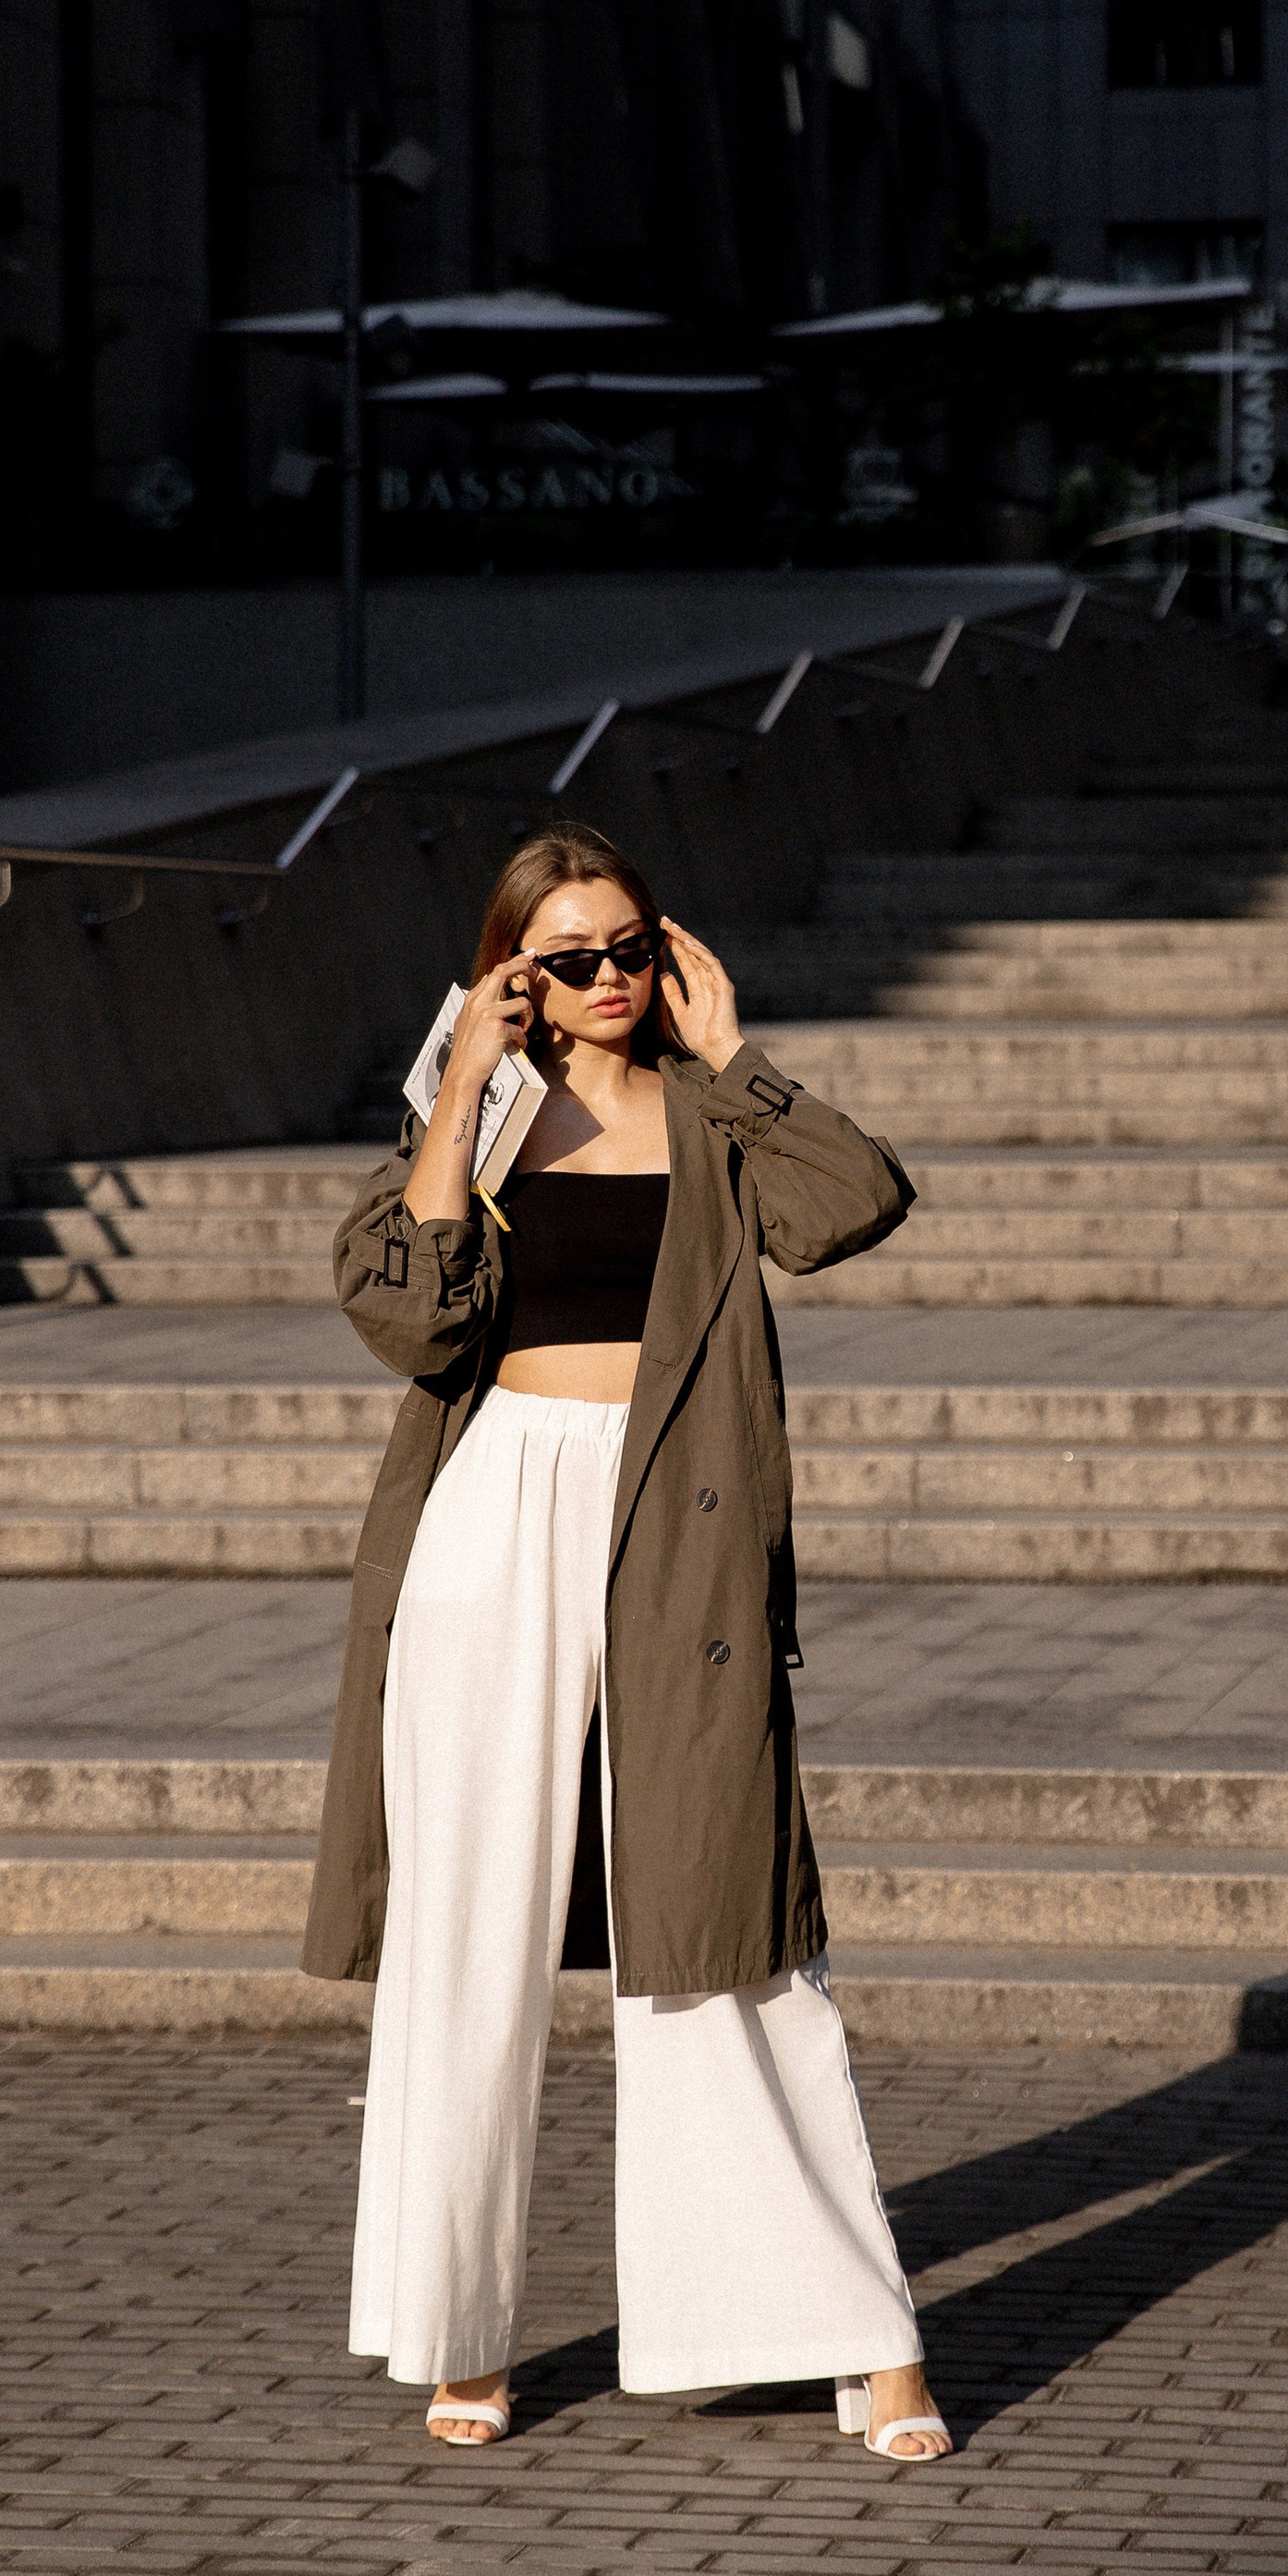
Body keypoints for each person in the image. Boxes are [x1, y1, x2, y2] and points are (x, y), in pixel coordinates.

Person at [302, 822, 950, 2463]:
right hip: (494, 1516)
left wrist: (737, 1055)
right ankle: (461, 2326)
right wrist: (465, 1073)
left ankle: (855, 2337)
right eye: (568, 958)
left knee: (727, 1929)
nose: (607, 982)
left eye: (629, 949)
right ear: (515, 967)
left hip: (675, 1523)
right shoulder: (486, 1116)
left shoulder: (715, 1113)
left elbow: (854, 1207)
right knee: (471, 1927)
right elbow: (412, 1314)